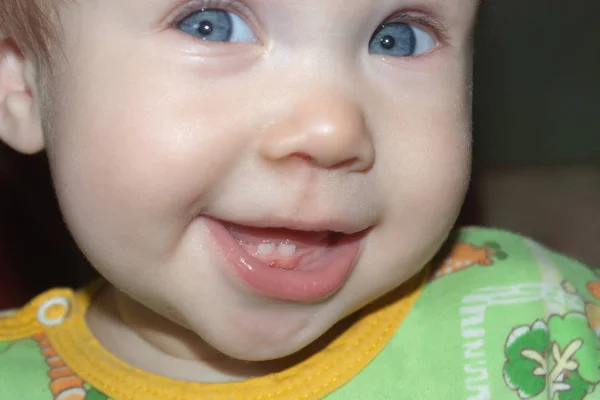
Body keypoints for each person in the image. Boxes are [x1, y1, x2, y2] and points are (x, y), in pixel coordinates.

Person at [0, 1, 598, 399]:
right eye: (210, 23)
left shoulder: (546, 317)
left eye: (398, 38)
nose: (332, 130)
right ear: (21, 83)